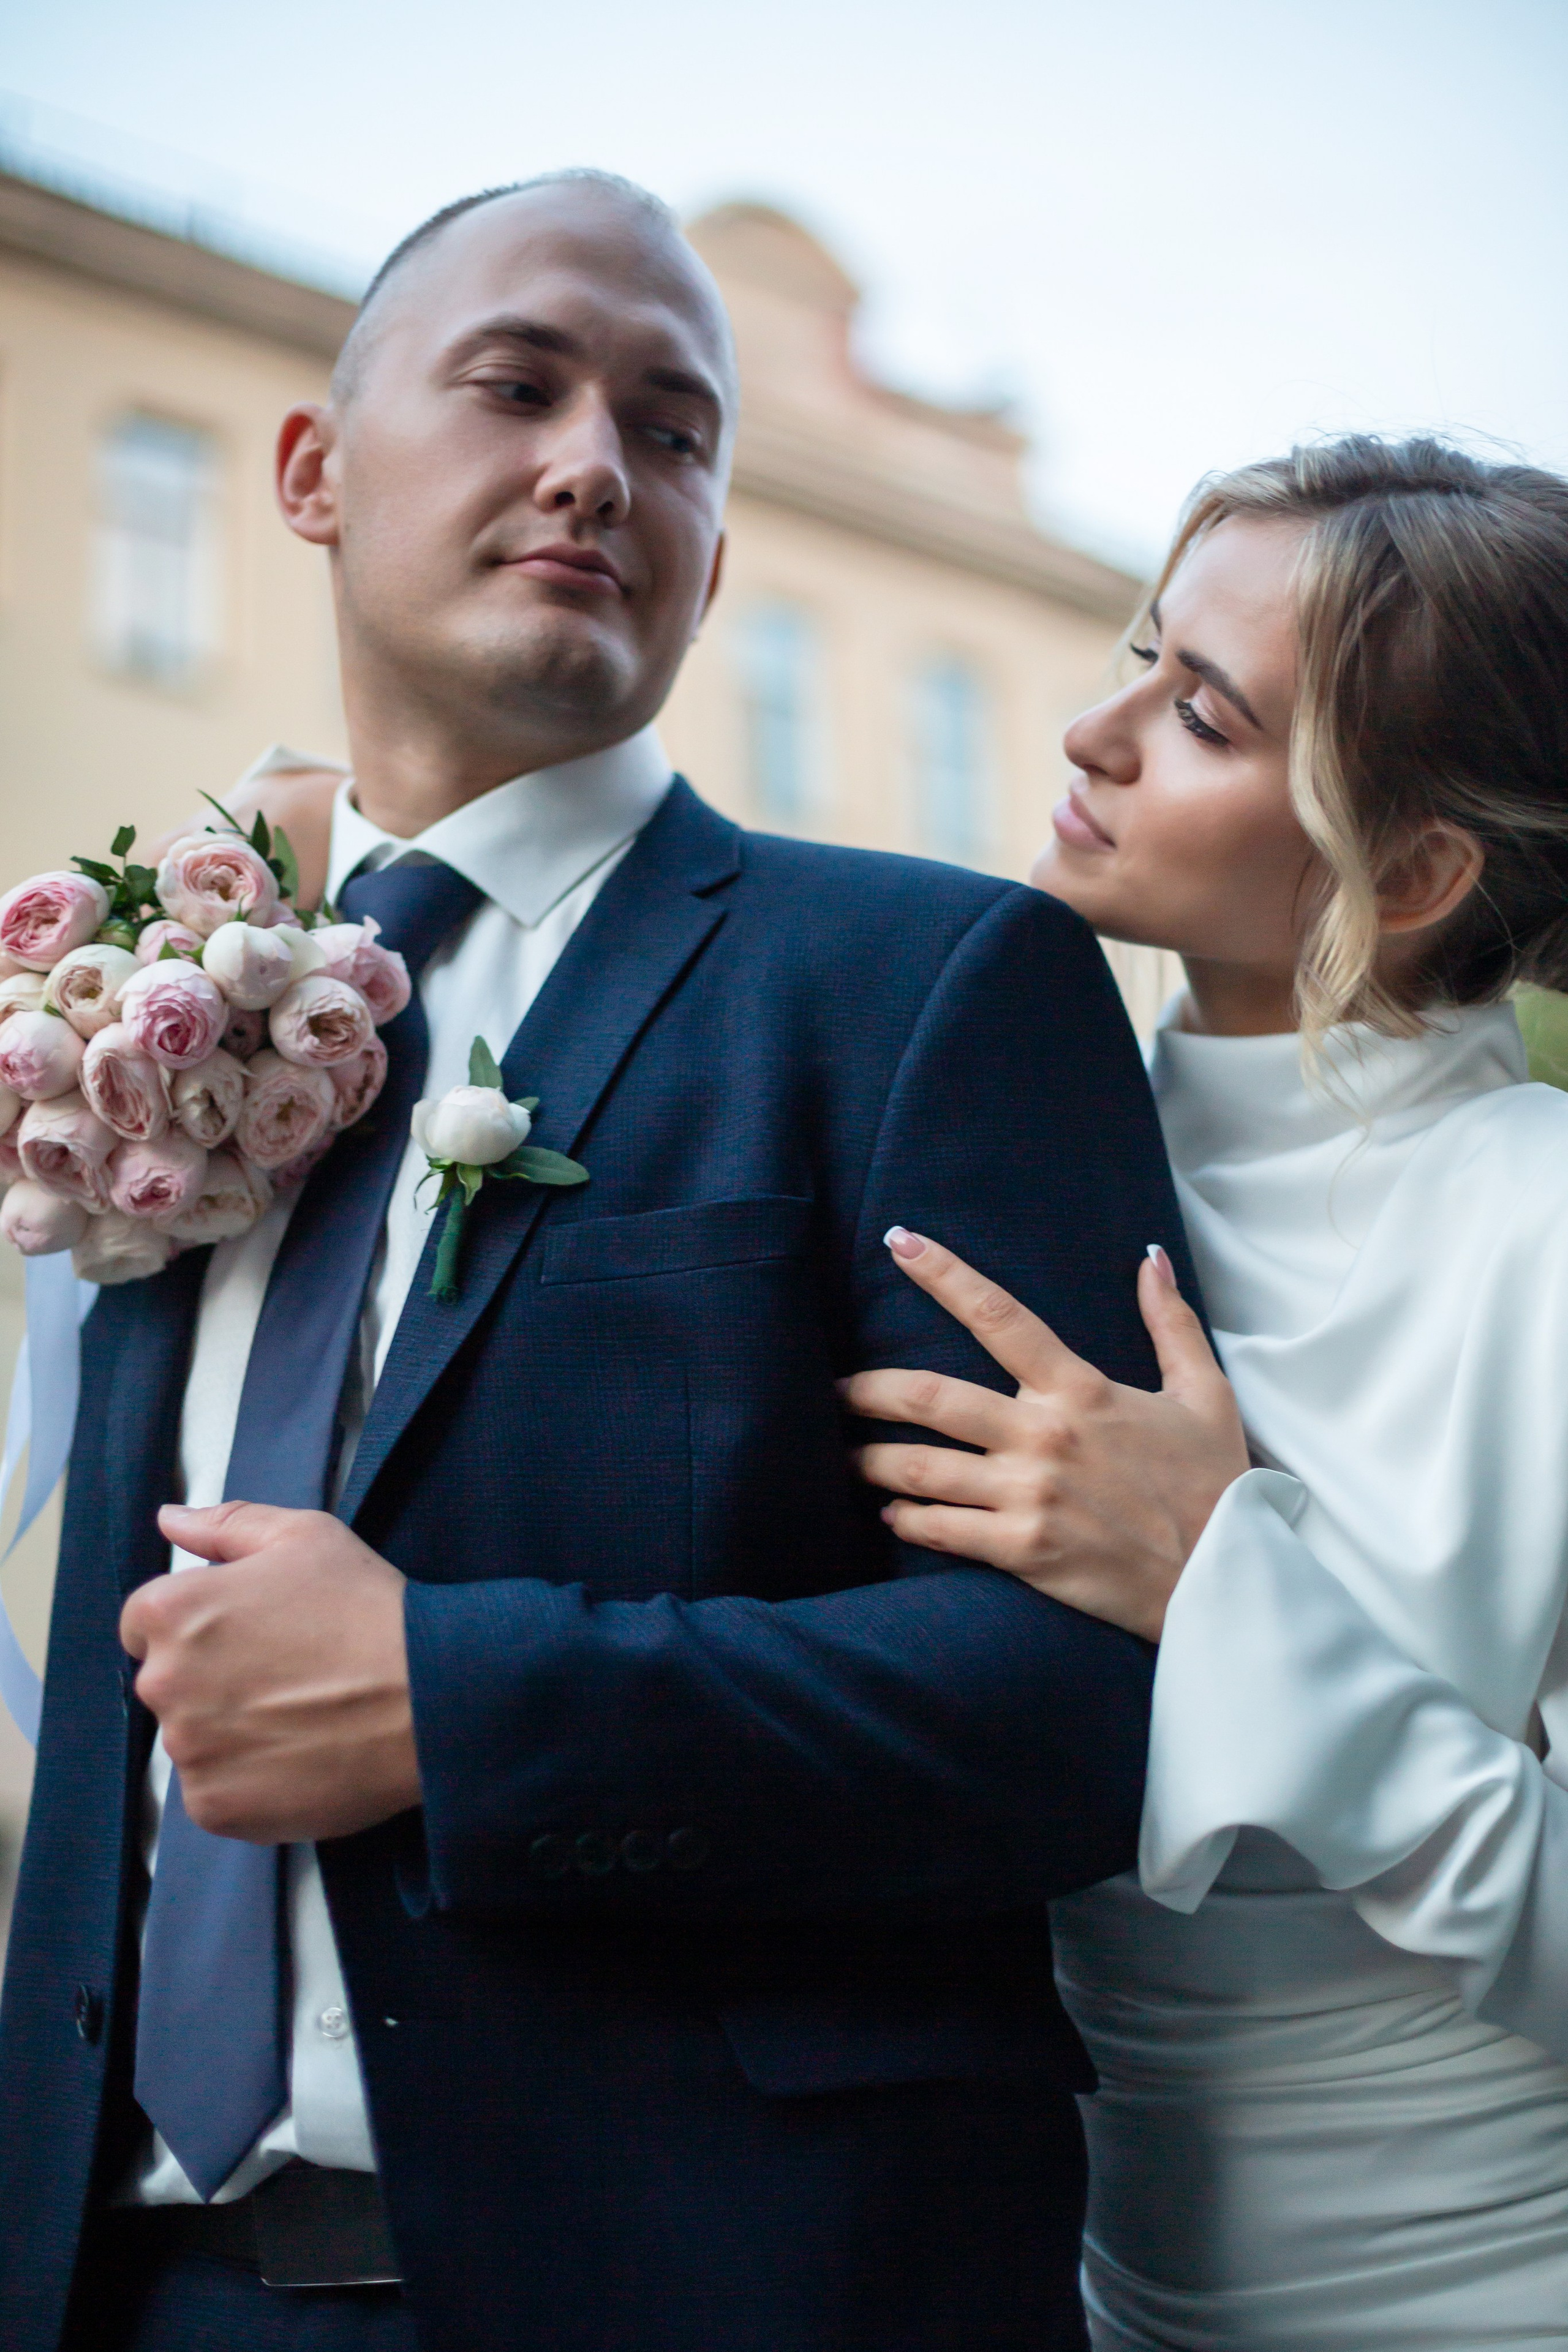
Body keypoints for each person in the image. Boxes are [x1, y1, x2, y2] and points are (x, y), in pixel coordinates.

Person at [0, 172, 1188, 2352]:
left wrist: (461, 1701)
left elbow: (1088, 1715)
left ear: (713, 550)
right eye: (518, 382)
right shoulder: (145, 1019)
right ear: (311, 474)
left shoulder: (930, 982)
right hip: (133, 2282)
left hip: (723, 2287)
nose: (593, 463)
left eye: (671, 427)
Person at [846, 435, 1568, 2346]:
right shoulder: (1004, 1142)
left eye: (1205, 714)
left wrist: (1221, 1580)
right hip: (1059, 2279)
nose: (1090, 734)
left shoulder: (1547, 1232)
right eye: (1137, 655)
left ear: (1411, 871)